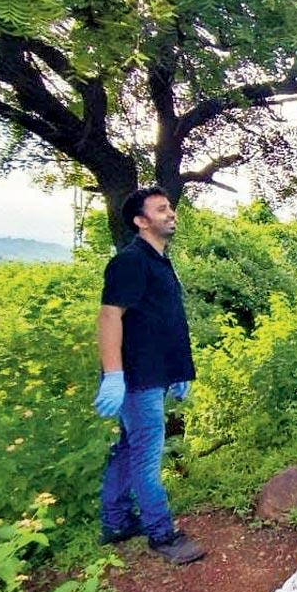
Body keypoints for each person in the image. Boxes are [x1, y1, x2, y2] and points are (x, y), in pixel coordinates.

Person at [93, 186, 206, 565]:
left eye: (169, 207)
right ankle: (162, 534)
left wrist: (177, 371)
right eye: (161, 209)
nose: (170, 213)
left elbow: (160, 323)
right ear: (141, 221)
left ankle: (116, 521)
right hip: (136, 378)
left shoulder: (158, 261)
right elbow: (110, 316)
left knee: (129, 447)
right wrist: (113, 374)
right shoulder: (131, 261)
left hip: (154, 373)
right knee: (145, 454)